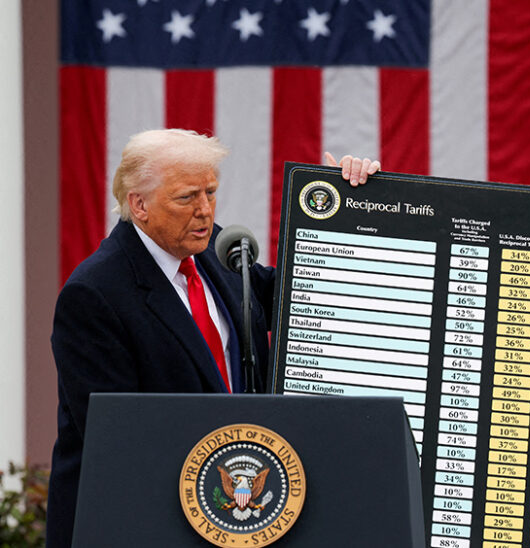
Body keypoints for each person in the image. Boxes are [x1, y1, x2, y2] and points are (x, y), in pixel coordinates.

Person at [47, 129, 380, 547]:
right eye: (187, 197)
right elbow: (117, 435)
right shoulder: (95, 293)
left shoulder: (214, 251)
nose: (204, 210)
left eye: (211, 191)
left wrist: (347, 211)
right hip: (137, 524)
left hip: (230, 515)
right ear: (139, 204)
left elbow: (299, 301)